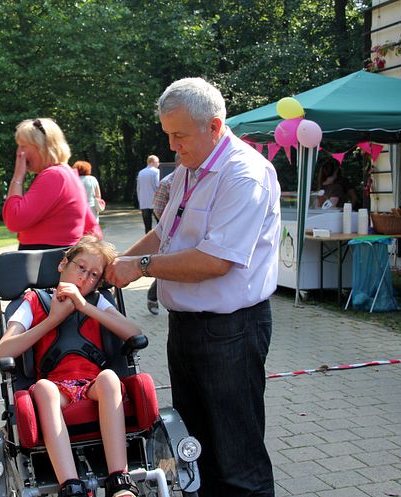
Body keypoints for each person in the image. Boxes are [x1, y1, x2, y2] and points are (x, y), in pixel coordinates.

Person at [105, 77, 280, 497]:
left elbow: (214, 261)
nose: (172, 146)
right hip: (187, 326)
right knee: (193, 448)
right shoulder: (190, 169)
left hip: (231, 331)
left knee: (236, 456)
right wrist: (114, 264)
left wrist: (140, 267)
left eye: (179, 135)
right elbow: (165, 233)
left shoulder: (245, 174)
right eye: (167, 135)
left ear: (214, 126)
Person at [0, 236, 142, 497]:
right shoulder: (34, 301)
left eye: (94, 275)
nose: (85, 277)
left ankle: (119, 479)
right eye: (81, 267)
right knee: (44, 389)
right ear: (63, 264)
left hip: (92, 385)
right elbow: (3, 351)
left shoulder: (97, 301)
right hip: (55, 388)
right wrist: (53, 320)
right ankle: (70, 485)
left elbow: (134, 333)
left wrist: (84, 306)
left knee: (109, 377)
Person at [3, 118, 101, 250]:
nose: (19, 153)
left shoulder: (54, 176)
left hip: (42, 263)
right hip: (57, 259)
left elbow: (14, 220)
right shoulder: (68, 174)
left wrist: (17, 177)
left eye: (23, 146)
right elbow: (92, 229)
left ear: (41, 147)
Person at [145, 155, 179, 315]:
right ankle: (153, 296)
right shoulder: (167, 182)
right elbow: (158, 209)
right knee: (169, 267)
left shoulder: (201, 180)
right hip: (170, 234)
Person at [136, 155, 160, 233]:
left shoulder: (141, 173)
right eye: (157, 162)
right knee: (160, 224)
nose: (158, 164)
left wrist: (140, 201)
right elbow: (158, 185)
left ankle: (148, 243)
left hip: (144, 203)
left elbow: (138, 188)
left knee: (147, 226)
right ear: (152, 162)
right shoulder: (156, 172)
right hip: (155, 202)